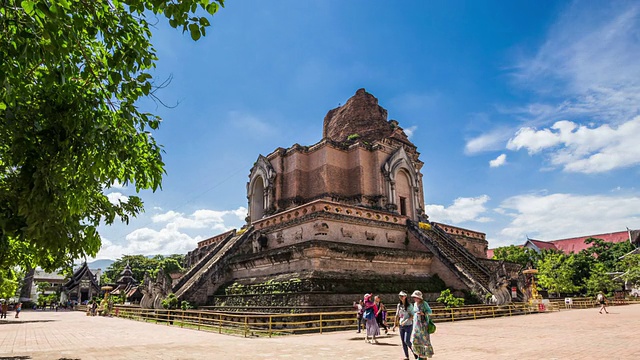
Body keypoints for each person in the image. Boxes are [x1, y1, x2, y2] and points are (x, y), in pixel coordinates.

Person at [409, 290, 434, 359]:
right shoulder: (414, 304)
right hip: (416, 325)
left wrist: (423, 313)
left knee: (424, 340)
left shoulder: (424, 303)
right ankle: (420, 355)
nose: (414, 298)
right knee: (415, 339)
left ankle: (423, 357)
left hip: (423, 325)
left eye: (415, 297)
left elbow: (430, 311)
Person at [393, 291, 416, 360]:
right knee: (403, 342)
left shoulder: (409, 305)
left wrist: (406, 320)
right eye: (400, 296)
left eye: (402, 296)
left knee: (407, 341)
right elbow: (397, 315)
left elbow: (412, 315)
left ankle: (415, 353)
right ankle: (407, 356)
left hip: (408, 325)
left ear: (405, 297)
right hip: (401, 325)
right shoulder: (399, 305)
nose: (401, 297)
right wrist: (395, 324)